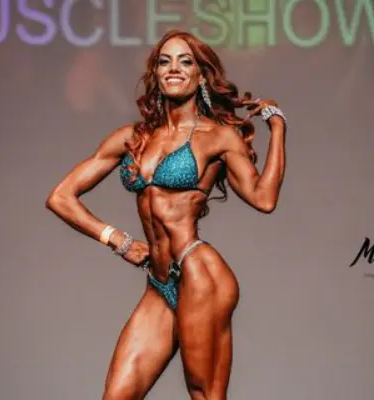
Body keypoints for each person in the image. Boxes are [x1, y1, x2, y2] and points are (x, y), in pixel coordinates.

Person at [46, 29, 287, 400]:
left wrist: (278, 128)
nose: (174, 68)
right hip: (158, 285)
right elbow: (61, 197)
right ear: (156, 73)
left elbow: (263, 198)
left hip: (199, 274)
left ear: (200, 75)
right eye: (165, 61)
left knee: (205, 395)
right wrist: (117, 239)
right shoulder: (133, 138)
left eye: (185, 61)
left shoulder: (217, 137)